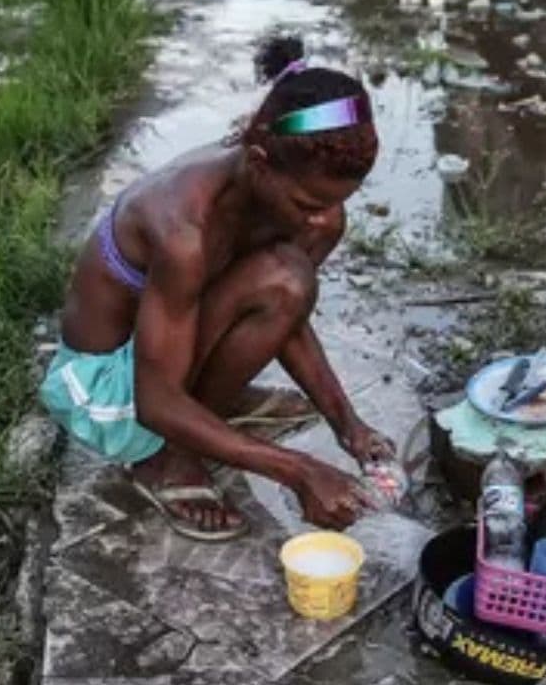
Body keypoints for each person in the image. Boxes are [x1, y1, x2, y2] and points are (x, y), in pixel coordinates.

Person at [44, 36, 395, 540]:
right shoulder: (183, 228)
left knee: (286, 280)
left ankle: (210, 408)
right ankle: (170, 460)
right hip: (105, 391)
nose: (325, 218)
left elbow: (285, 314)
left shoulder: (286, 197)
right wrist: (298, 470)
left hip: (160, 350)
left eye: (337, 200)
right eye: (307, 202)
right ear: (257, 160)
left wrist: (348, 425)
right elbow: (155, 402)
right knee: (285, 276)